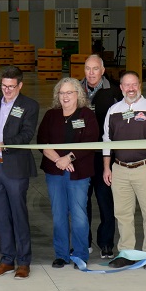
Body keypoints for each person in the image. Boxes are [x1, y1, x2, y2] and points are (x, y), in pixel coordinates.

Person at [0, 65, 39, 279]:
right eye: (4, 86)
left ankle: (23, 261)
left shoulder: (29, 106)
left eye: (12, 87)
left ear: (20, 85)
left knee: (18, 215)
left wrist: (4, 144)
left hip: (15, 168)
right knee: (1, 216)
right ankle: (6, 259)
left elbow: (27, 135)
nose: (8, 91)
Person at [102, 71, 146, 269]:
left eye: (134, 84)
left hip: (145, 168)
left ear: (139, 85)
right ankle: (126, 252)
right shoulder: (113, 110)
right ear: (121, 87)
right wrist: (107, 167)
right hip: (119, 169)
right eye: (126, 85)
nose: (131, 88)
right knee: (123, 213)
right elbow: (107, 140)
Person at [37, 78, 98, 268]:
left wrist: (69, 158)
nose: (65, 96)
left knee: (79, 214)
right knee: (58, 214)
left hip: (79, 173)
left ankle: (80, 254)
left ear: (78, 94)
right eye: (62, 93)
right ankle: (61, 254)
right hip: (54, 172)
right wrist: (58, 160)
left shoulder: (87, 115)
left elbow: (91, 141)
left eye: (69, 92)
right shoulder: (51, 116)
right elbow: (42, 142)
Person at [82, 54, 120, 258]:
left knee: (106, 201)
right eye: (87, 68)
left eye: (95, 68)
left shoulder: (113, 92)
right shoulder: (75, 90)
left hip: (105, 157)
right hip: (80, 157)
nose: (91, 73)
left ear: (103, 71)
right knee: (82, 202)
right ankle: (83, 241)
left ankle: (106, 243)